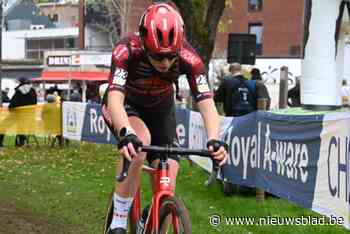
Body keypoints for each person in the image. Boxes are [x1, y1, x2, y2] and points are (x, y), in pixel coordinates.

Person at [101, 3, 228, 234]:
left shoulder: (191, 59)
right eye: (158, 57)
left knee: (168, 172)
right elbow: (115, 99)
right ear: (144, 43)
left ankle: (155, 216)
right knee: (138, 143)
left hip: (161, 108)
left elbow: (207, 104)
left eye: (171, 57)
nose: (165, 63)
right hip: (125, 105)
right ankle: (118, 221)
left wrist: (214, 140)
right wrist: (125, 133)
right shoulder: (126, 50)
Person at [9, 77, 37, 147]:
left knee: (3, 125)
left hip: (19, 115)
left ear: (20, 83)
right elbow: (35, 103)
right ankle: (22, 141)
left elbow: (13, 104)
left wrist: (10, 108)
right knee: (21, 125)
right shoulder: (33, 90)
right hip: (30, 116)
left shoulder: (19, 91)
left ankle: (21, 140)